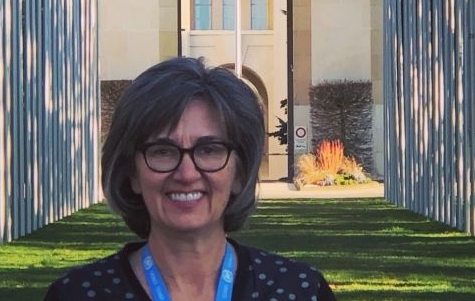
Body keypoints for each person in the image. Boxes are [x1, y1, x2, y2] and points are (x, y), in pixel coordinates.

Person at [44, 57, 336, 301]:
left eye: (209, 150)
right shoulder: (78, 295)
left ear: (240, 172)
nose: (186, 174)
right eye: (162, 151)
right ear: (132, 174)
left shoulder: (299, 291)